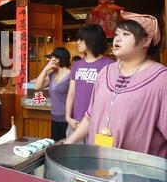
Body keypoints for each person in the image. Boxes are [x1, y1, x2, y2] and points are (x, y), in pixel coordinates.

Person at [66, 12, 167, 158]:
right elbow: (90, 117)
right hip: (98, 163)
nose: (117, 39)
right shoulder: (105, 72)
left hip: (138, 173)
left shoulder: (161, 79)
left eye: (126, 34)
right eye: (117, 34)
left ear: (146, 41)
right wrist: (70, 141)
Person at [65, 24, 113, 143]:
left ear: (92, 40)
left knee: (98, 160)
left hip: (100, 126)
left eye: (82, 39)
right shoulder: (76, 65)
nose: (78, 42)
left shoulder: (109, 65)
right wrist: (68, 117)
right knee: (73, 160)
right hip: (75, 124)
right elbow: (71, 93)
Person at [34, 47, 71, 141]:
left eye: (52, 58)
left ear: (58, 59)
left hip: (67, 119)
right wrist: (45, 69)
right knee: (55, 146)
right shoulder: (52, 75)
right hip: (54, 117)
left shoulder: (71, 76)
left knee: (66, 148)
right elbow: (37, 87)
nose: (49, 61)